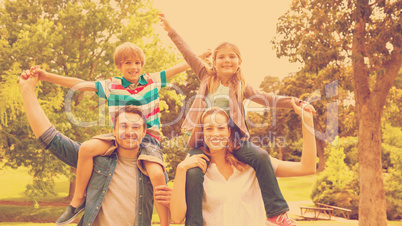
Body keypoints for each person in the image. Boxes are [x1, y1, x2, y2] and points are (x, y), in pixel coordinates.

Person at [25, 43, 210, 225]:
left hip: (149, 141)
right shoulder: (111, 85)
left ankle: (163, 223)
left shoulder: (152, 80)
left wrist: (199, 57)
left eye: (137, 63)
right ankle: (78, 199)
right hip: (118, 138)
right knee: (87, 148)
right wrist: (47, 76)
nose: (134, 67)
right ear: (119, 66)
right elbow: (79, 85)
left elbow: (178, 67)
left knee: (157, 175)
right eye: (128, 63)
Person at [159, 14, 316, 226]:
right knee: (194, 173)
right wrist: (170, 30)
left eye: (232, 56)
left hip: (233, 140)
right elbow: (187, 53)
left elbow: (267, 98)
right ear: (213, 61)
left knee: (260, 157)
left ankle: (276, 212)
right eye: (221, 57)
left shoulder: (241, 86)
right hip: (202, 140)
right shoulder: (206, 76)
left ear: (239, 62)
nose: (226, 60)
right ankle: (194, 222)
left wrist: (294, 102)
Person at [19, 74, 173, 226]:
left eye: (136, 127)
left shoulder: (153, 171)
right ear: (113, 130)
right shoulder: (96, 160)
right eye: (124, 126)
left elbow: (176, 210)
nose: (129, 132)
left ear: (144, 131)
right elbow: (51, 138)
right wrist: (27, 91)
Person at [170, 105, 316, 226]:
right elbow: (177, 218)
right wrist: (181, 170)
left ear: (229, 131)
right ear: (202, 133)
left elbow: (307, 167)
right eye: (209, 128)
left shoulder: (255, 165)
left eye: (221, 128)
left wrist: (307, 121)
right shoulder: (195, 170)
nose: (215, 133)